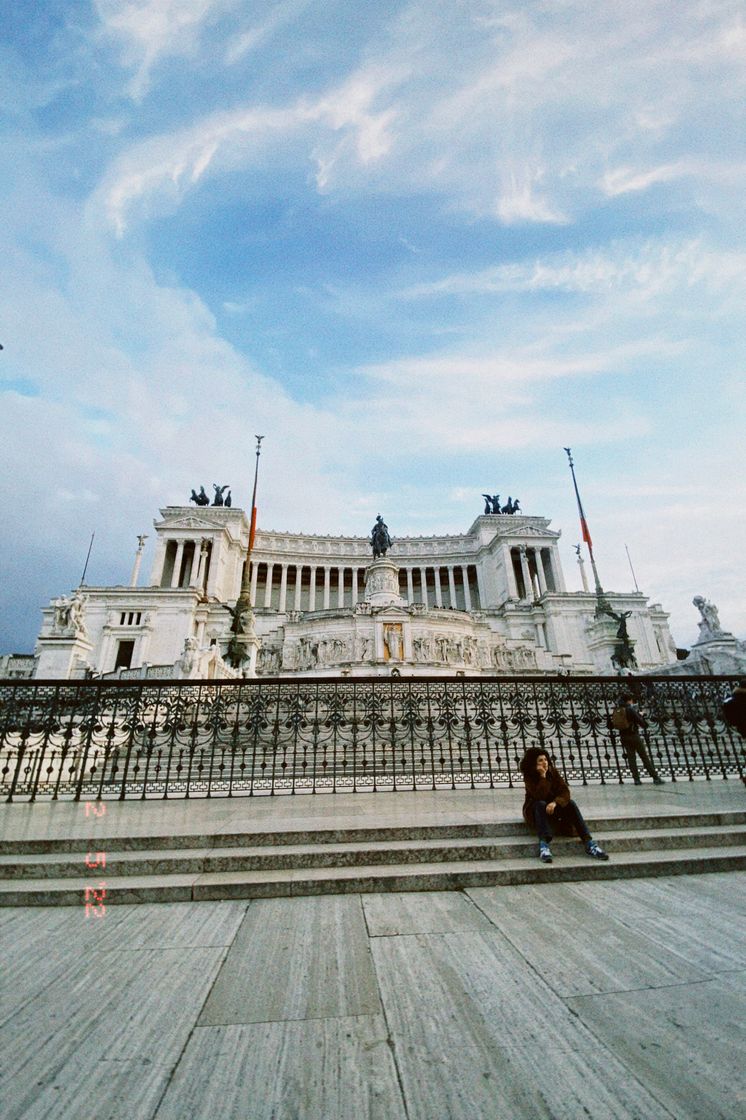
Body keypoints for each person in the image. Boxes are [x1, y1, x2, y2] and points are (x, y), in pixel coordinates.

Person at [520, 747, 608, 864]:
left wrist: (555, 802)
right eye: (540, 760)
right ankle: (544, 844)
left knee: (570, 803)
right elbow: (539, 796)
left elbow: (565, 792)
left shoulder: (553, 772)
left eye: (545, 759)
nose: (544, 762)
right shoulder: (529, 776)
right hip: (536, 811)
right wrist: (542, 777)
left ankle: (589, 843)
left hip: (553, 808)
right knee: (540, 804)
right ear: (534, 763)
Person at [613, 692, 664, 784]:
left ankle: (636, 779)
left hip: (623, 736)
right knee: (644, 757)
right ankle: (655, 777)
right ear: (629, 700)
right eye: (631, 700)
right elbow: (641, 723)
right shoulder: (630, 709)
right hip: (633, 735)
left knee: (631, 758)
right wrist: (641, 716)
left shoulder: (618, 709)